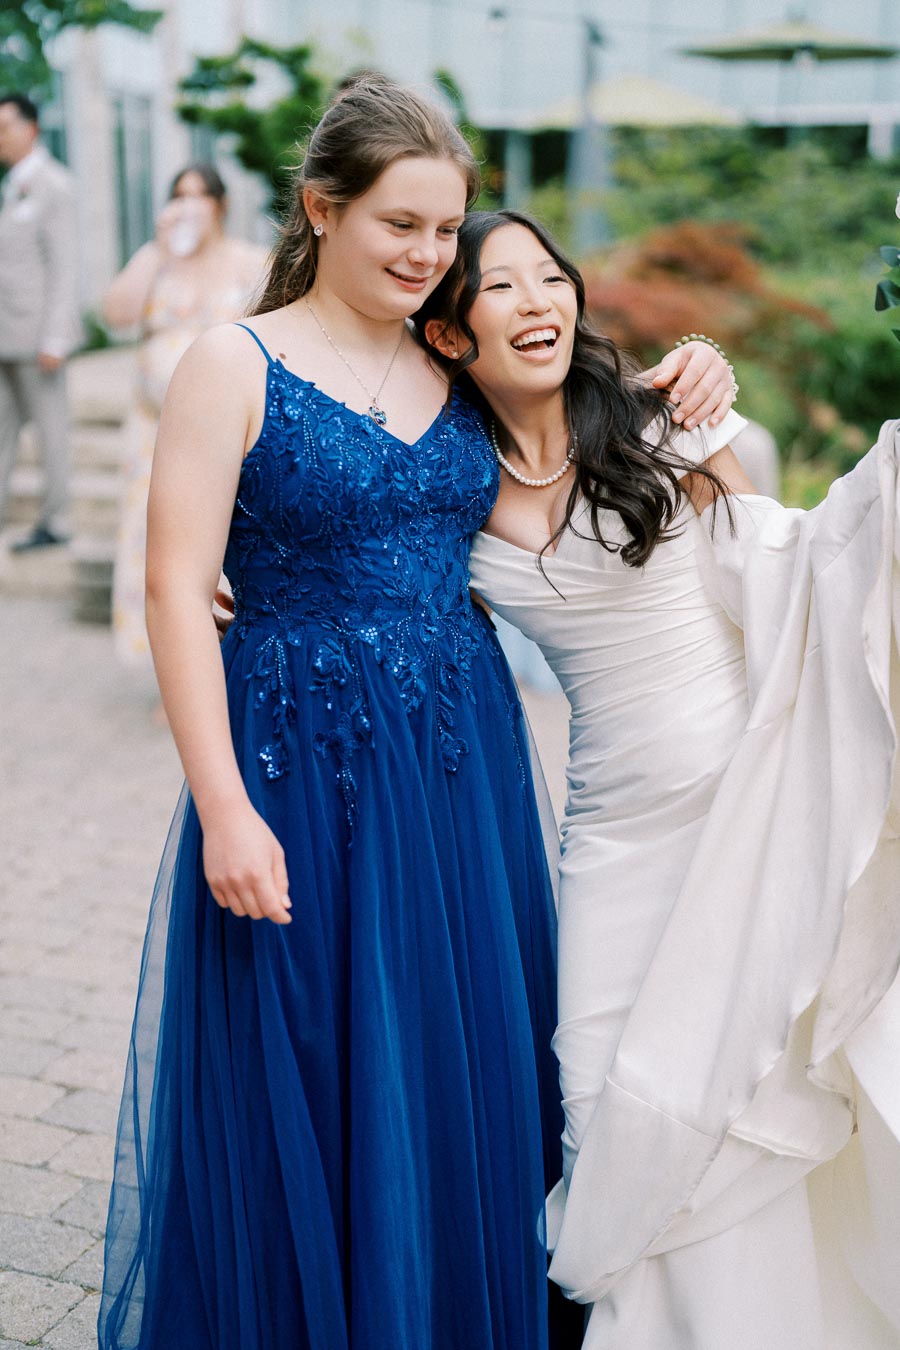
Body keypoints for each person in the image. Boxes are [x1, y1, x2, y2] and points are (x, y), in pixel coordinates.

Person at [98, 78, 734, 1350]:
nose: (427, 256)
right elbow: (175, 587)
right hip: (296, 772)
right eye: (401, 225)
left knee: (456, 1071)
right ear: (321, 208)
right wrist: (224, 807)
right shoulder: (236, 361)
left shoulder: (451, 356)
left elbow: (568, 477)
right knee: (320, 1069)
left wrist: (691, 385)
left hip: (459, 771)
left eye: (445, 234)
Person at [418, 209, 900, 1348]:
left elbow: (774, 562)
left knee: (741, 1092)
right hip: (614, 841)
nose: (538, 300)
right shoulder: (441, 479)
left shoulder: (656, 418)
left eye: (551, 276)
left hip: (748, 804)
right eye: (500, 286)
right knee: (604, 1095)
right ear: (447, 332)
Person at [102, 163, 266, 669]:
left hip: (226, 432)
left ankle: (223, 660)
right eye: (179, 195)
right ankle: (168, 664)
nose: (189, 205)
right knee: (153, 541)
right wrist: (156, 251)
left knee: (217, 539)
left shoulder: (247, 261)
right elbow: (116, 315)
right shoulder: (158, 261)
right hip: (153, 430)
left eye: (199, 195)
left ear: (219, 205)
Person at [0, 93, 80, 551]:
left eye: (6, 126)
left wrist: (56, 335)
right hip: (5, 337)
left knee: (51, 432)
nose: (0, 137)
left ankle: (57, 521)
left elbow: (64, 266)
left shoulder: (54, 185)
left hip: (37, 339)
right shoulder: (11, 184)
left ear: (30, 129)